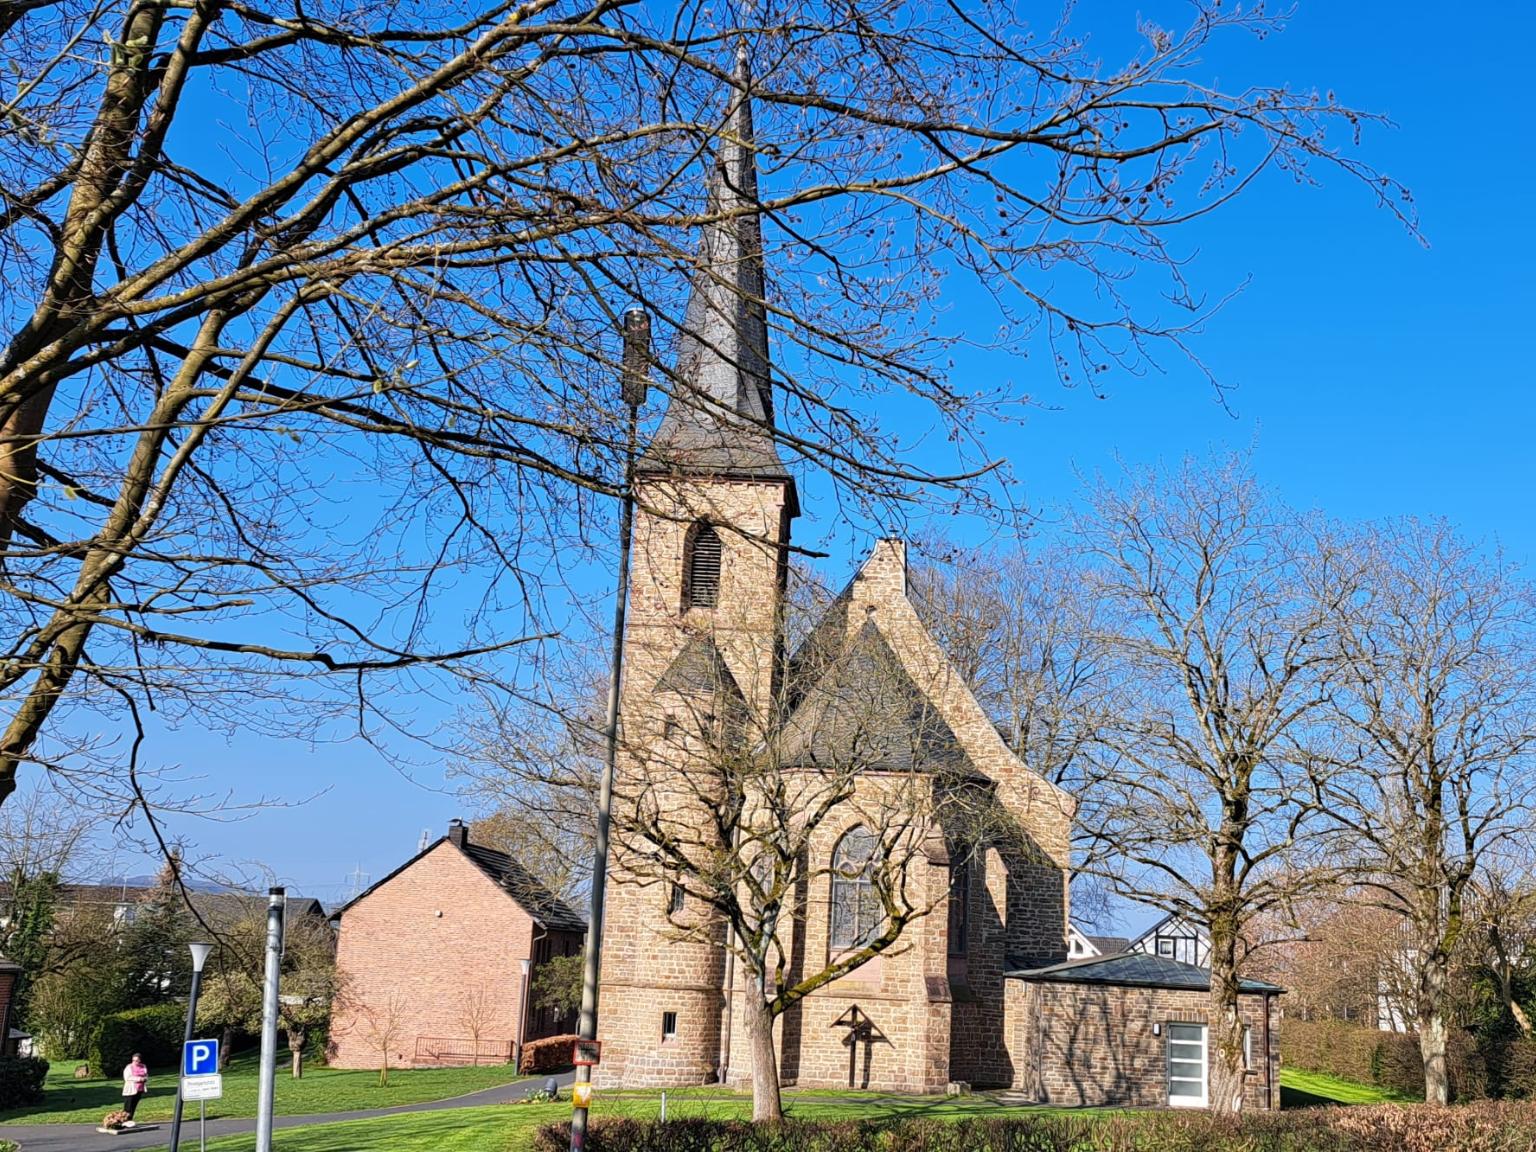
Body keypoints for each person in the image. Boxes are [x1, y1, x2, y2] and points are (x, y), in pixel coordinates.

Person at [121, 1053, 149, 1126]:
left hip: (139, 1089)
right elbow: (127, 1078)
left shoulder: (143, 1066)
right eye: (133, 1060)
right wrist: (139, 1079)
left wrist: (145, 1079)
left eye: (137, 1060)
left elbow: (146, 1075)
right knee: (128, 1107)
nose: (135, 1062)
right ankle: (124, 1121)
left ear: (140, 1060)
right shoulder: (129, 1067)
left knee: (133, 1106)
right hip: (130, 1090)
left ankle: (130, 1120)